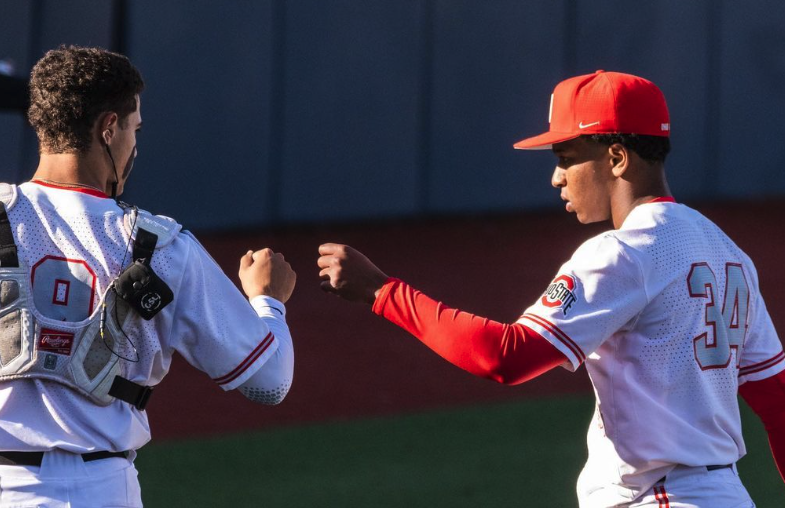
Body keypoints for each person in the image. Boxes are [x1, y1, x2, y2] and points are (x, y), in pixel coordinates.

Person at [317, 70, 784, 507]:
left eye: (566, 159)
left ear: (617, 158)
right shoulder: (728, 252)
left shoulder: (624, 251)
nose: (556, 177)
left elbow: (506, 355)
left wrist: (382, 292)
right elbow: (775, 395)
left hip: (658, 498)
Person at [0, 46, 296, 507]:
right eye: (134, 129)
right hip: (101, 490)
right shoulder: (163, 247)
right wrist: (267, 301)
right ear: (109, 128)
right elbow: (269, 381)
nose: (134, 144)